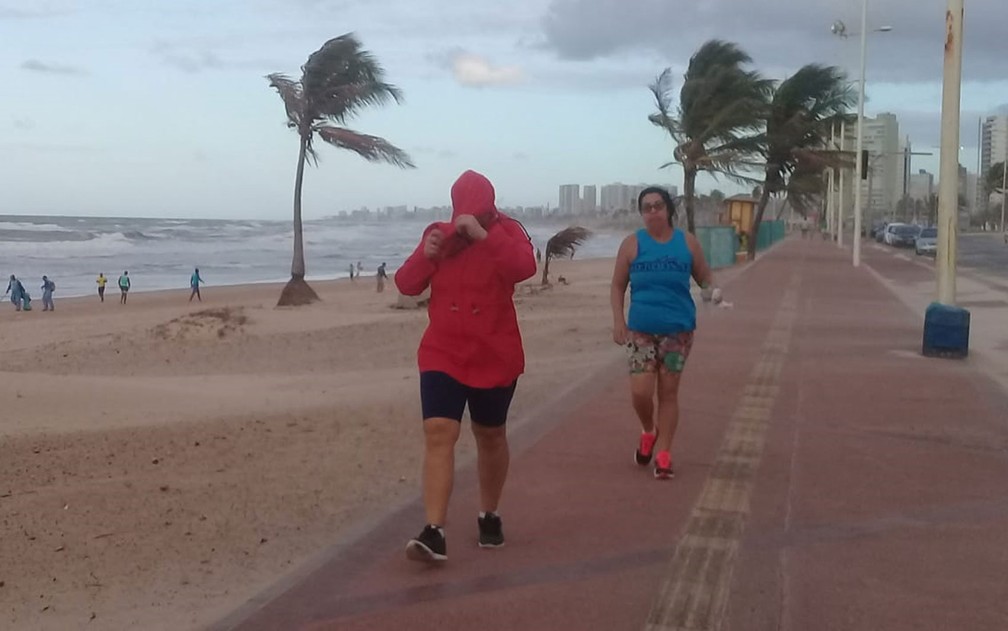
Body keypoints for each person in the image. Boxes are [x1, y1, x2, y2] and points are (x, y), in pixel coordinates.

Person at [395, 169, 536, 563]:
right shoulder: (438, 233)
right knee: (439, 431)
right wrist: (427, 256)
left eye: (478, 210)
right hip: (444, 350)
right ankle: (434, 530)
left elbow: (523, 267)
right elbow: (406, 284)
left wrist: (483, 236)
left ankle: (489, 514)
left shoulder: (507, 232)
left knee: (490, 436)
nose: (467, 216)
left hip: (494, 351)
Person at [610, 186, 721, 480]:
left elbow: (704, 276)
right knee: (640, 392)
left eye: (658, 205)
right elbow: (617, 285)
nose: (653, 211)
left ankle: (664, 453)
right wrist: (618, 321)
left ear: (669, 209)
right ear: (642, 213)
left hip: (678, 331)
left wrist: (713, 292)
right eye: (647, 207)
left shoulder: (688, 243)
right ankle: (649, 429)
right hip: (641, 330)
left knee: (669, 393)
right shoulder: (632, 244)